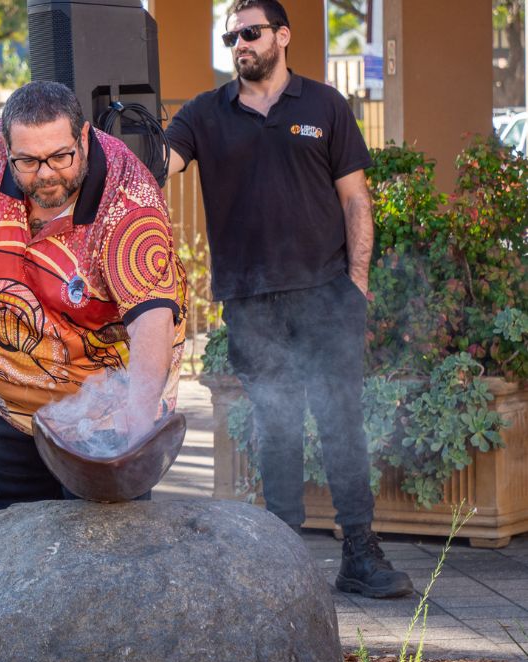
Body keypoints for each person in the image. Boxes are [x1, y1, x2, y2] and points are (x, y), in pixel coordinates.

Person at [165, 0, 413, 598]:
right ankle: (284, 561)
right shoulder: (205, 114)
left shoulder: (325, 105)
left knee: (341, 423)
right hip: (252, 301)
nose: (239, 45)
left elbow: (356, 198)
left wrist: (357, 280)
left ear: (282, 36)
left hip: (327, 295)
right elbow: (156, 165)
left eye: (250, 33)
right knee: (276, 426)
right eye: (231, 38)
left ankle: (359, 554)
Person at [0, 81, 187, 512]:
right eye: (27, 160)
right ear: (4, 147)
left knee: (100, 549)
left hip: (105, 413)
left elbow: (152, 319)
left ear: (83, 137)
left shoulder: (128, 199)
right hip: (14, 402)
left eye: (60, 157)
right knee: (13, 536)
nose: (45, 174)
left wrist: (133, 433)